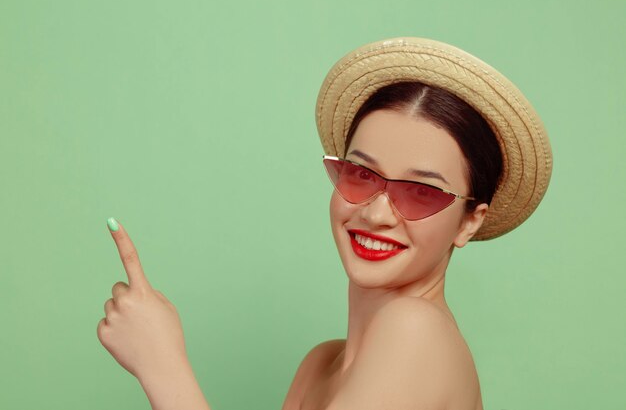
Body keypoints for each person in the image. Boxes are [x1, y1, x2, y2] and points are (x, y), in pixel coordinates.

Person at [97, 37, 552, 410]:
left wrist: (160, 362)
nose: (376, 213)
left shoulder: (416, 332)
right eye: (361, 174)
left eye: (420, 191)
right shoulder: (320, 363)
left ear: (470, 222)